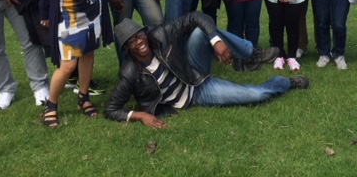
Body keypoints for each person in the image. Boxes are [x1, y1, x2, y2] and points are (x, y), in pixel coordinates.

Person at [103, 13, 308, 126]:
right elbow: (111, 109)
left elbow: (195, 16)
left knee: (203, 32)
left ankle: (250, 53)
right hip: (196, 92)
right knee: (255, 94)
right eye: (131, 42)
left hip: (192, 71)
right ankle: (287, 82)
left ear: (144, 33)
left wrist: (215, 40)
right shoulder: (130, 72)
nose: (138, 42)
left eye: (139, 35)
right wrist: (142, 116)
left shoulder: (160, 35)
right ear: (126, 48)